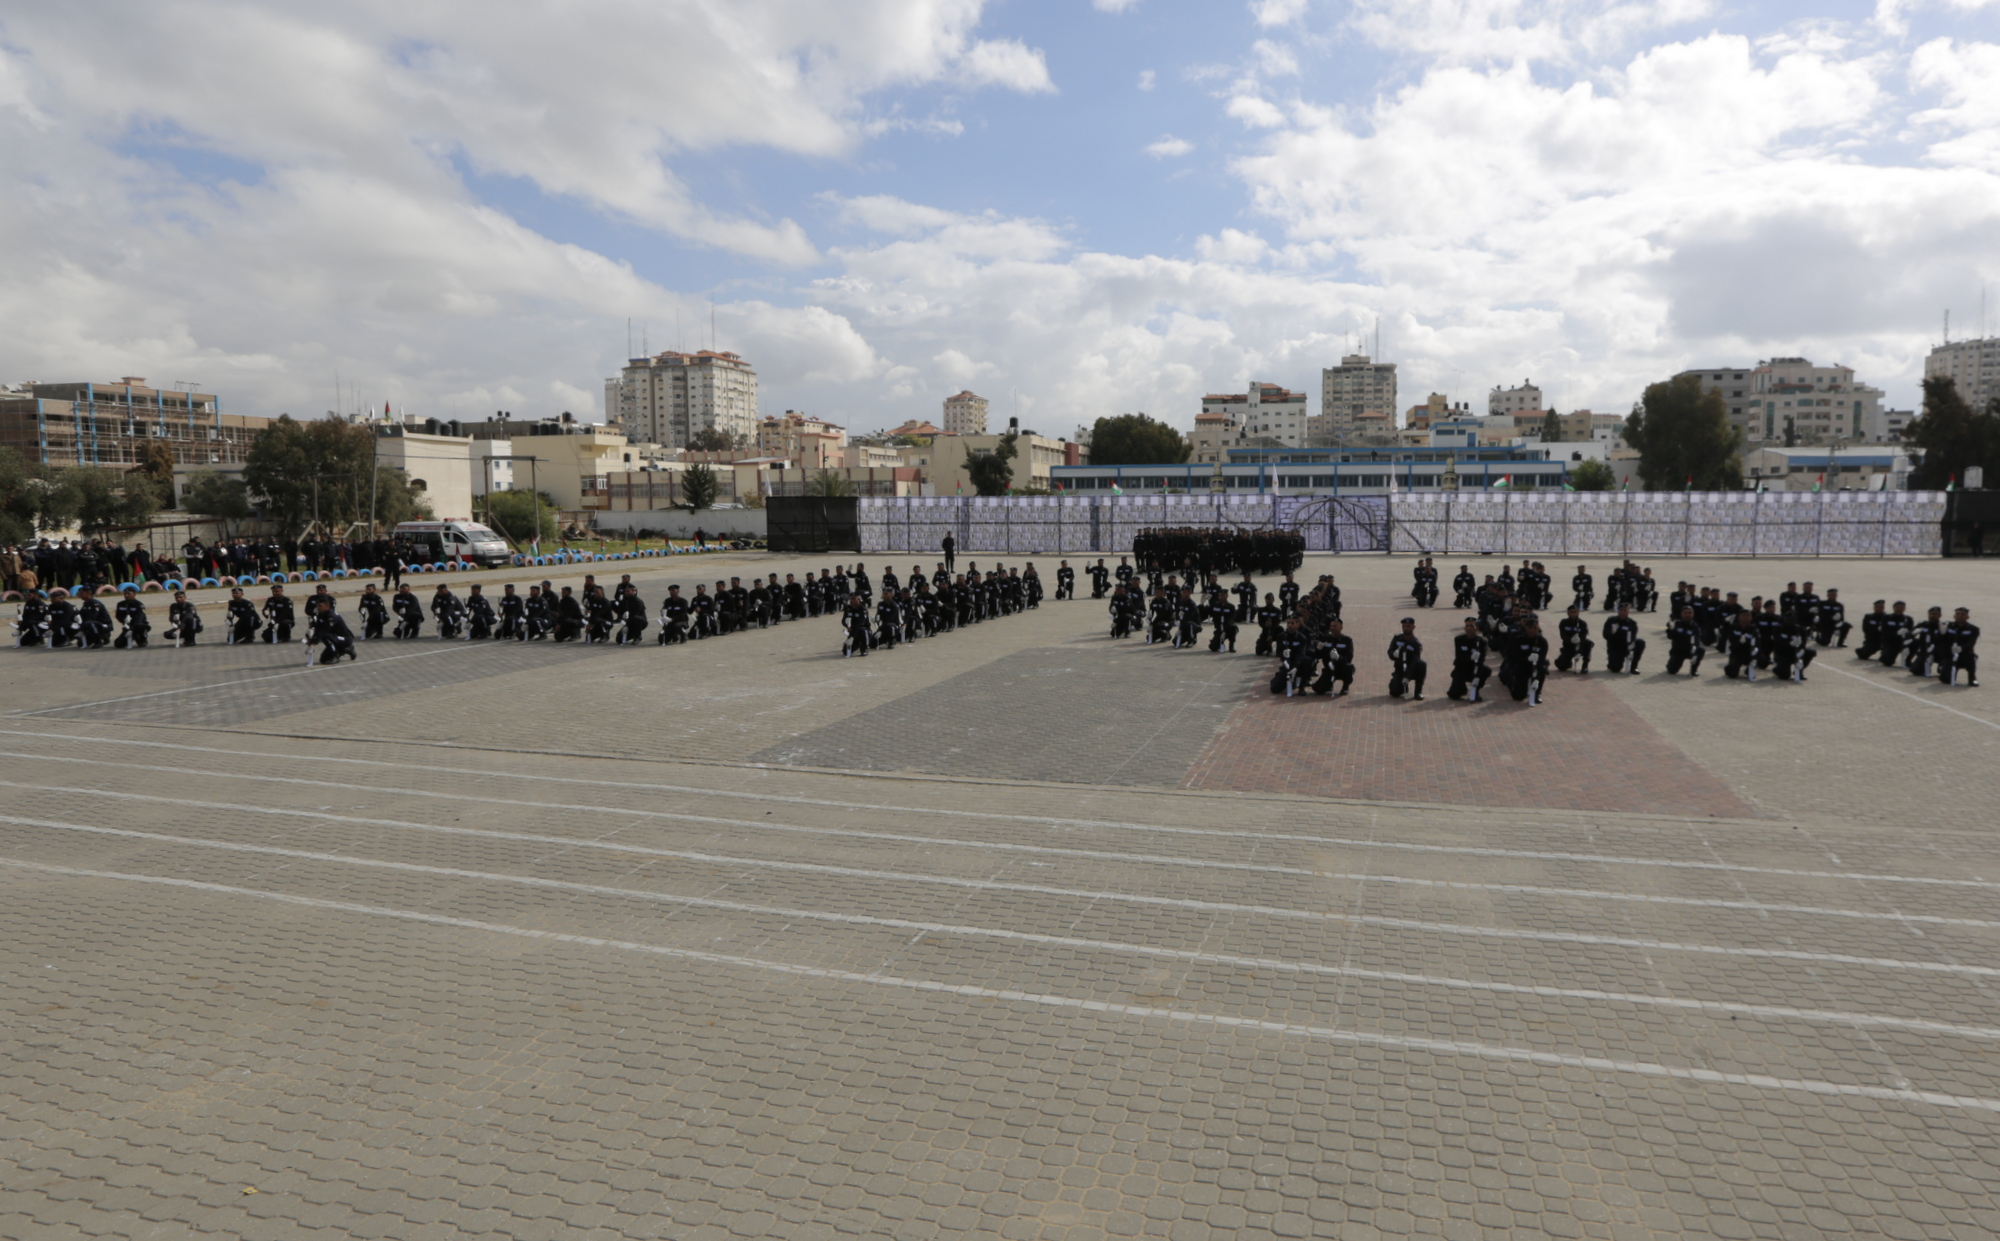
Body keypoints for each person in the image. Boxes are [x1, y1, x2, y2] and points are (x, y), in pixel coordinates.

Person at [1499, 618, 1548, 705]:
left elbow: (1543, 658)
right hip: (1521, 667)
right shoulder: (1518, 640)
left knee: (1543, 669)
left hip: (1535, 667)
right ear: (1526, 628)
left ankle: (1536, 694)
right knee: (1518, 696)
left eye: (1535, 628)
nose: (1532, 630)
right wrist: (1527, 659)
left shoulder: (1542, 641)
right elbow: (1513, 656)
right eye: (1530, 628)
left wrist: (1536, 677)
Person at [1446, 617, 1490, 702]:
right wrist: (1470, 657)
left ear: (1476, 628)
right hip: (1461, 668)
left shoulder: (1482, 641)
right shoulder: (1459, 639)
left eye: (1472, 626)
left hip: (1474, 668)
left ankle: (1475, 690)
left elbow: (1481, 661)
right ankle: (1462, 687)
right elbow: (1458, 658)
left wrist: (1477, 677)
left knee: (1486, 670)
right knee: (1454, 695)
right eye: (1467, 626)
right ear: (1465, 628)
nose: (1469, 628)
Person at [305, 597, 358, 664]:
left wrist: (313, 644)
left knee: (325, 636)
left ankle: (336, 656)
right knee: (323, 660)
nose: (318, 608)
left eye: (320, 606)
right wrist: (311, 636)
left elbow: (323, 631)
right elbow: (318, 629)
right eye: (317, 606)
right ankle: (346, 649)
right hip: (334, 637)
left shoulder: (332, 616)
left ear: (327, 606)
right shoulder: (321, 615)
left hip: (345, 638)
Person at [1387, 617, 1426, 701]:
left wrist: (1407, 677)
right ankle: (1398, 683)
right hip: (1400, 668)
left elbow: (1415, 661)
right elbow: (1390, 651)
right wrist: (1393, 654)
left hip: (1412, 669)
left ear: (1413, 627)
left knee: (1422, 665)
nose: (1406, 628)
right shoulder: (1397, 638)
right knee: (1395, 693)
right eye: (1404, 626)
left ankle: (1418, 692)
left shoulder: (1416, 644)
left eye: (1408, 626)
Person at [1939, 607, 1979, 687]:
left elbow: (1971, 643)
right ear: (1954, 616)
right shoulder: (1948, 626)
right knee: (1945, 680)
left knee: (1971, 656)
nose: (1960, 616)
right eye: (1957, 614)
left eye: (1963, 615)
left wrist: (1961, 648)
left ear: (1967, 617)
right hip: (1950, 655)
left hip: (1964, 655)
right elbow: (1941, 642)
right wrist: (1942, 634)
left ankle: (1972, 678)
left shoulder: (1973, 629)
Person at [1603, 603, 1645, 674]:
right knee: (1615, 669)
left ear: (1628, 611)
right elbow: (1605, 635)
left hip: (1627, 646)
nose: (1622, 612)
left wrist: (1631, 644)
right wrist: (1612, 633)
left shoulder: (1632, 623)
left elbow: (1633, 636)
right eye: (1621, 610)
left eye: (1625, 610)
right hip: (1615, 647)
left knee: (1640, 642)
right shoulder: (1611, 621)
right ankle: (1612, 661)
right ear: (1618, 611)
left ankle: (1634, 667)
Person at [1665, 606, 1704, 677]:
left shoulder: (1695, 626)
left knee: (1700, 650)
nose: (1687, 615)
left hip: (1689, 650)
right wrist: (1671, 629)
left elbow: (1697, 640)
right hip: (1678, 650)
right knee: (1671, 670)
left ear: (1693, 614)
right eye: (1685, 613)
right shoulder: (1676, 623)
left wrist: (1695, 651)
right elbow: (1670, 637)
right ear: (1681, 614)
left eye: (1690, 613)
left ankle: (1693, 670)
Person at [1555, 605, 1594, 673]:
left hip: (1579, 645)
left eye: (1575, 612)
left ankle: (1585, 666)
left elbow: (1583, 636)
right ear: (1568, 613)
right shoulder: (1563, 622)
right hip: (1568, 646)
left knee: (1588, 643)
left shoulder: (1582, 623)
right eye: (1571, 612)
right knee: (1561, 666)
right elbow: (1562, 635)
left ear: (1578, 613)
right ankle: (1568, 662)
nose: (1573, 613)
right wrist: (1570, 640)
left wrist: (1579, 641)